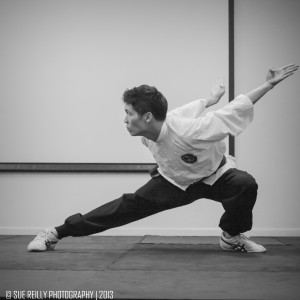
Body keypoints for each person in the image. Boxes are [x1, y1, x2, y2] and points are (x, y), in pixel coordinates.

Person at [27, 64, 298, 253]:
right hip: (174, 182)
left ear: (146, 117)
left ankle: (231, 236)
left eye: (128, 113)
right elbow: (195, 106)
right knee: (124, 207)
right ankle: (55, 233)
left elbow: (234, 109)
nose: (124, 119)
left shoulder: (189, 130)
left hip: (215, 176)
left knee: (245, 183)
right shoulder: (149, 129)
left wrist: (269, 84)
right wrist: (211, 97)